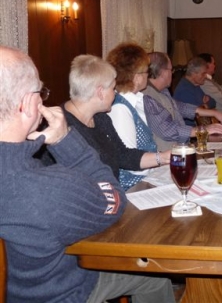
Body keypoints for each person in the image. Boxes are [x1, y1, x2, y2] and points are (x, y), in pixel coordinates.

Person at [0, 46, 174, 303]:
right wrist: (67, 140)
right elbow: (114, 200)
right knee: (154, 275)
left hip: (26, 283)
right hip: (61, 291)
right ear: (27, 104)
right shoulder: (44, 187)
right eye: (40, 93)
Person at [63, 55, 171, 190]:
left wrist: (164, 157)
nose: (115, 94)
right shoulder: (63, 128)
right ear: (100, 92)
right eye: (113, 89)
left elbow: (122, 154)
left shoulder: (100, 118)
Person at [144, 51, 222, 151]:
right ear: (162, 72)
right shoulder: (147, 95)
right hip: (165, 156)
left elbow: (178, 106)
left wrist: (213, 112)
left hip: (179, 148)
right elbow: (166, 130)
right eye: (171, 70)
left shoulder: (162, 90)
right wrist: (201, 130)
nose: (172, 74)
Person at [107, 43, 158, 190]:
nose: (148, 75)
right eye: (146, 72)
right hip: (134, 187)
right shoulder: (120, 109)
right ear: (136, 78)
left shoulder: (136, 101)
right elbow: (130, 163)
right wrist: (162, 160)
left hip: (149, 176)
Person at [174, 56, 216, 125]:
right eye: (203, 74)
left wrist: (204, 105)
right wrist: (204, 105)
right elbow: (198, 113)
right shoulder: (184, 90)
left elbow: (213, 102)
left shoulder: (196, 85)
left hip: (200, 127)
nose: (205, 76)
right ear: (193, 74)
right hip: (190, 131)